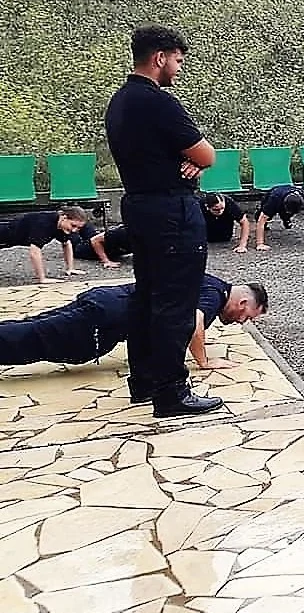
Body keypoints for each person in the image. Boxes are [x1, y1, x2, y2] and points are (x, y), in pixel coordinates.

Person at [105, 24, 222, 417]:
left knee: (147, 295)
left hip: (138, 205)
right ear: (160, 58)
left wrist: (184, 162)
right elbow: (207, 155)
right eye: (176, 60)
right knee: (176, 299)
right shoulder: (159, 102)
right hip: (171, 211)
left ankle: (144, 381)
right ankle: (172, 392)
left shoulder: (120, 101)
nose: (178, 68)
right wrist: (193, 163)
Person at [0, 274, 267, 372]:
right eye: (248, 316)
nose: (242, 322)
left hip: (105, 304)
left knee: (33, 327)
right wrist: (204, 362)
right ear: (243, 303)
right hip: (105, 317)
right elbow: (195, 320)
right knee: (32, 339)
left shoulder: (210, 282)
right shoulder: (215, 295)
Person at [0, 207, 90, 283]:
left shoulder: (61, 226)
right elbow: (34, 252)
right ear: (64, 218)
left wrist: (70, 268)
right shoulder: (44, 224)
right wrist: (42, 278)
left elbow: (67, 243)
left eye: (78, 228)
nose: (74, 230)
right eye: (73, 225)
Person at [254, 185, 304, 250]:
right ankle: (263, 215)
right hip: (274, 193)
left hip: (286, 195)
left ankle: (286, 219)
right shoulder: (274, 199)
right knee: (262, 217)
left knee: (287, 215)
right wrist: (260, 244)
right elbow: (261, 220)